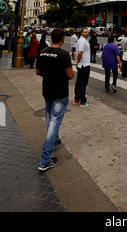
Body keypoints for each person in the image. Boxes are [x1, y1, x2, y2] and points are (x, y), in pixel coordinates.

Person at [36, 28, 74, 171]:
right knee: (54, 122)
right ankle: (45, 160)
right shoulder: (64, 55)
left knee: (49, 117)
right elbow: (70, 75)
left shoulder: (43, 52)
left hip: (47, 90)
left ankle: (55, 141)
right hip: (60, 92)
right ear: (63, 39)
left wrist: (49, 76)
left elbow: (38, 71)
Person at [74, 27, 91, 107]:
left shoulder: (82, 40)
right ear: (81, 33)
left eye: (87, 32)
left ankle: (77, 98)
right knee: (83, 83)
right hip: (84, 65)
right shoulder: (82, 41)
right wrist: (78, 60)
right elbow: (80, 53)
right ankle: (83, 101)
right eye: (85, 32)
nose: (86, 33)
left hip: (81, 65)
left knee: (79, 82)